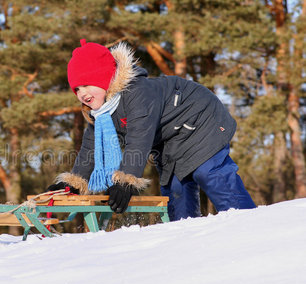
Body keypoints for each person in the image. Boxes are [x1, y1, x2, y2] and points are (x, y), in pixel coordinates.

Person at [47, 39, 256, 221]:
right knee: (176, 189)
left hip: (201, 121)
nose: (82, 93)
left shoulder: (137, 92)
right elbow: (91, 147)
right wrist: (74, 183)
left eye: (86, 84)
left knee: (209, 172)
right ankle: (186, 239)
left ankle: (246, 223)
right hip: (171, 140)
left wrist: (126, 180)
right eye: (76, 89)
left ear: (104, 78)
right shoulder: (101, 115)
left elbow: (139, 137)